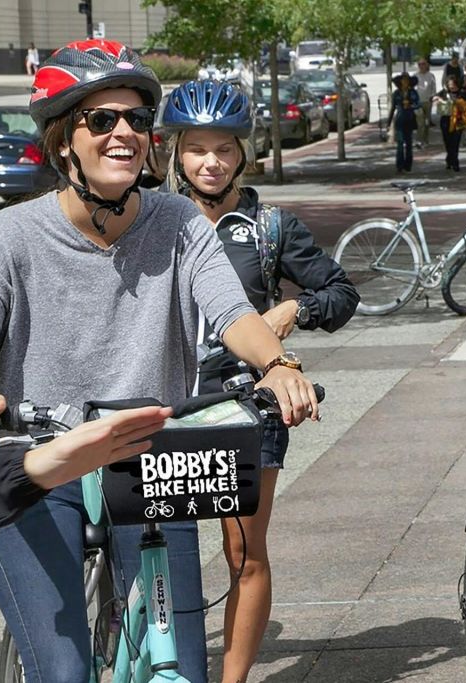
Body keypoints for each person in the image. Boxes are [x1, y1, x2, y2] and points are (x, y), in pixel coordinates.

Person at [0, 39, 320, 683]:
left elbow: (233, 314)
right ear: (64, 140)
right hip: (41, 460)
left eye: (137, 121)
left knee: (181, 668)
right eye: (101, 120)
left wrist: (276, 365)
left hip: (150, 456)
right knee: (61, 670)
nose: (124, 133)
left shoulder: (178, 223)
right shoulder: (11, 233)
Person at [160, 78, 359, 683]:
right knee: (152, 548)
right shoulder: (148, 217)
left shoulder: (269, 226)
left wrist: (293, 310)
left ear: (244, 153)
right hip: (161, 401)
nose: (211, 162)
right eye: (196, 148)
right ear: (175, 154)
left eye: (223, 149)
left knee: (242, 552)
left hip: (243, 406)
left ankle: (232, 679)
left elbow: (341, 291)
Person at [0, 405, 172, 557]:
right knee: (54, 628)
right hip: (34, 470)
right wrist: (25, 470)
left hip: (152, 464)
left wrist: (26, 470)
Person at [434, 76, 466, 172]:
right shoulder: (444, 93)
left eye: (452, 84)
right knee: (447, 142)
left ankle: (455, 163)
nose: (451, 86)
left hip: (458, 121)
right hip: (446, 120)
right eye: (449, 84)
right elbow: (433, 97)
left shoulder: (461, 93)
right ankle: (449, 160)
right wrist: (437, 99)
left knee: (455, 142)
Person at [388, 72, 419, 173]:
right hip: (400, 120)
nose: (405, 82)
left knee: (409, 144)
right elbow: (393, 107)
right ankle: (399, 166)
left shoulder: (413, 92)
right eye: (403, 80)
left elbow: (418, 104)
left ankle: (408, 165)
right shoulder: (396, 93)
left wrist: (410, 106)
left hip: (409, 119)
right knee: (400, 143)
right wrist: (389, 122)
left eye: (407, 80)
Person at [414, 59, 437, 148]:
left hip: (428, 102)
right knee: (420, 123)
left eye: (423, 64)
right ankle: (419, 141)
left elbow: (433, 88)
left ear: (426, 65)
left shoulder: (431, 76)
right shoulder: (415, 76)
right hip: (418, 103)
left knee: (427, 123)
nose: (422, 66)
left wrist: (433, 97)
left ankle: (425, 140)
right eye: (420, 64)